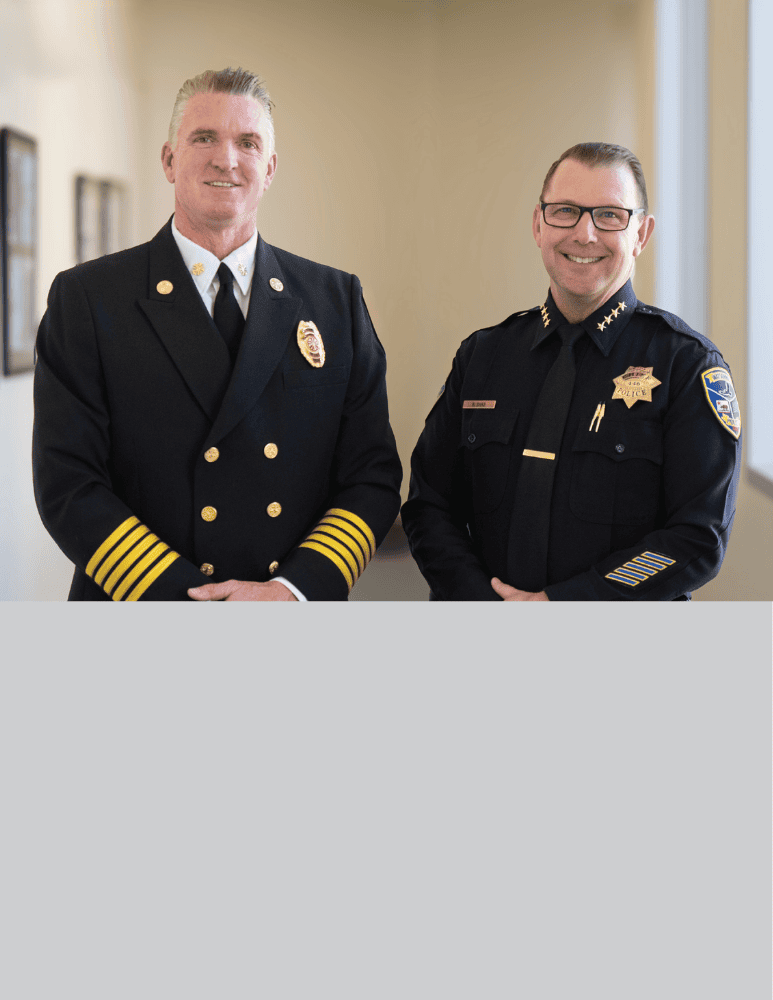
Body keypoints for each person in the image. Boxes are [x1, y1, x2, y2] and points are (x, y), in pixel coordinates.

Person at [33, 67, 402, 601]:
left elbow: (371, 475)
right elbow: (68, 484)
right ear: (169, 159)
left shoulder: (335, 301)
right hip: (144, 608)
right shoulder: (88, 299)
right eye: (204, 138)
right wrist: (195, 605)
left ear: (270, 168)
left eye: (247, 143)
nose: (226, 159)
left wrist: (293, 589)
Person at [401, 143, 741, 601]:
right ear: (538, 225)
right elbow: (429, 505)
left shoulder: (687, 366)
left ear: (641, 233)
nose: (585, 234)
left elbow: (697, 538)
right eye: (565, 211)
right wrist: (478, 601)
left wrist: (565, 605)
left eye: (610, 216)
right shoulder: (482, 356)